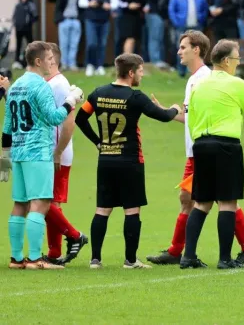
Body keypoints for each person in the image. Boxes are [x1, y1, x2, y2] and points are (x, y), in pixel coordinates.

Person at [146, 31, 244, 266]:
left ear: (196, 49)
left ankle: (181, 251)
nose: (179, 51)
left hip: (200, 149)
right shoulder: (196, 79)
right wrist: (167, 113)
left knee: (207, 200)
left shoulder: (204, 79)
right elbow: (190, 116)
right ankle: (237, 251)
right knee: (216, 200)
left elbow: (192, 116)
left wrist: (171, 115)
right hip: (209, 147)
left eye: (183, 47)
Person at [75, 53, 182, 269]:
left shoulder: (97, 94)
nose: (142, 75)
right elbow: (162, 116)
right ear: (131, 72)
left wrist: (98, 142)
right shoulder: (135, 97)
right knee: (132, 210)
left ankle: (95, 259)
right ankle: (130, 260)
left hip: (105, 160)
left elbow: (80, 118)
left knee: (102, 209)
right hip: (130, 162)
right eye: (141, 71)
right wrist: (176, 109)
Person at [180, 40, 244, 269]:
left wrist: (201, 140)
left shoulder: (198, 86)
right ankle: (225, 258)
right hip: (226, 146)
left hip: (201, 145)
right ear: (225, 61)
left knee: (201, 203)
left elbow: (191, 121)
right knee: (227, 202)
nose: (238, 62)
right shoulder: (237, 84)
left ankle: (188, 255)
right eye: (236, 59)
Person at [1, 41, 84, 269]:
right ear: (38, 61)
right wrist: (71, 99)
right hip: (37, 151)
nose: (51, 63)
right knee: (41, 203)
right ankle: (36, 258)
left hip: (18, 152)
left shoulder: (16, 86)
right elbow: (54, 118)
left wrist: (4, 155)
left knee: (20, 203)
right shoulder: (40, 86)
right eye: (48, 59)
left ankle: (17, 258)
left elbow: (7, 125)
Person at [44, 43, 88, 265]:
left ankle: (74, 236)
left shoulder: (60, 84)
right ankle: (54, 252)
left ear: (52, 59)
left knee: (45, 201)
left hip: (57, 151)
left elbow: (69, 121)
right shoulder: (50, 83)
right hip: (49, 150)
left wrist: (59, 151)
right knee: (49, 201)